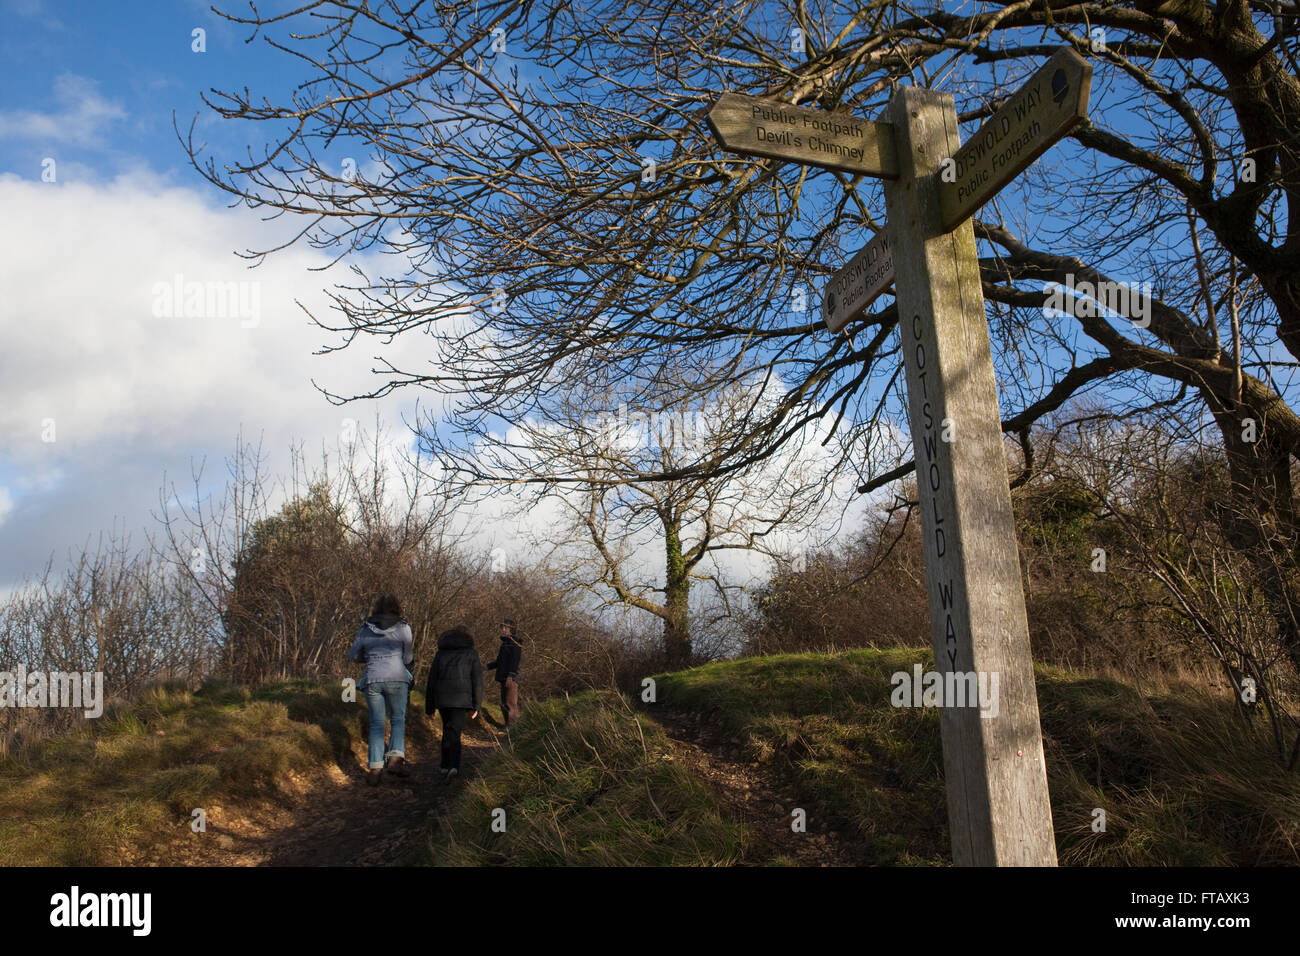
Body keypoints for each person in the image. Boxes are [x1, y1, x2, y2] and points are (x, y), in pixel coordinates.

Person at [347, 593, 415, 786]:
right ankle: (395, 760)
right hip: (397, 678)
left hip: (372, 678)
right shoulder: (404, 628)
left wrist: (368, 657)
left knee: (376, 723)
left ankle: (375, 768)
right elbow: (409, 658)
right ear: (397, 608)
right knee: (397, 719)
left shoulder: (365, 628)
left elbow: (353, 655)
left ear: (375, 609)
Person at [424, 625, 483, 779]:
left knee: (447, 730)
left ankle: (444, 765)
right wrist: (477, 704)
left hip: (443, 698)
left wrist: (429, 707)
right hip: (461, 699)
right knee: (455, 732)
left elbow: (432, 680)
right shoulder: (471, 653)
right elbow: (477, 680)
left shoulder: (441, 653)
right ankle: (453, 766)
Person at [486, 617, 523, 726]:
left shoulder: (515, 642)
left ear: (511, 629)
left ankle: (513, 729)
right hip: (503, 677)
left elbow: (515, 661)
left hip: (511, 678)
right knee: (504, 703)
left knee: (510, 704)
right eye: (502, 627)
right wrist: (486, 667)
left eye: (505, 628)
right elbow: (499, 661)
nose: (503, 630)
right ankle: (508, 726)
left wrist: (510, 676)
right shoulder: (505, 643)